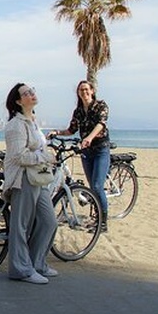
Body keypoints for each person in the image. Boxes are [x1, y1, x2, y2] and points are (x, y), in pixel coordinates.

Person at [2, 83, 58, 285]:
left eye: (32, 90)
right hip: (23, 178)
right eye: (26, 93)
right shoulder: (16, 125)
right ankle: (21, 269)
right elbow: (18, 156)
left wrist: (44, 157)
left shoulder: (32, 122)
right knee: (21, 225)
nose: (32, 94)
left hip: (38, 178)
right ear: (18, 101)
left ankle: (37, 263)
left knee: (49, 221)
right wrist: (45, 157)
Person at [48, 80, 110, 231]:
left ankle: (103, 222)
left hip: (100, 149)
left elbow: (101, 124)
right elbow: (71, 130)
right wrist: (57, 132)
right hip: (86, 152)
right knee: (92, 187)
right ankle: (96, 216)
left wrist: (89, 137)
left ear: (92, 91)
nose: (84, 92)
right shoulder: (78, 111)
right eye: (81, 90)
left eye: (86, 89)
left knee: (97, 186)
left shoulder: (101, 105)